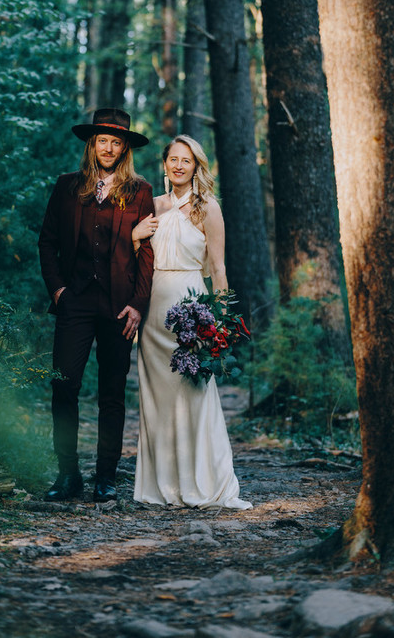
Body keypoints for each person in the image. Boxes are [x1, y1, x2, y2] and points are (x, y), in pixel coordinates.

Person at [38, 108, 154, 503]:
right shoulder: (67, 186)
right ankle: (68, 475)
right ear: (92, 145)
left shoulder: (140, 190)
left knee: (112, 393)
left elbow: (147, 254)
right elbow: (47, 243)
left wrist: (139, 304)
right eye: (102, 140)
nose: (108, 147)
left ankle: (106, 477)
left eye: (116, 142)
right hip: (75, 303)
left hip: (120, 307)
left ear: (124, 148)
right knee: (64, 384)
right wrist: (58, 291)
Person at [132, 135, 253, 509]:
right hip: (152, 311)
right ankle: (160, 486)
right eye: (174, 159)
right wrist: (135, 240)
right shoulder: (151, 206)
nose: (179, 165)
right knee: (157, 397)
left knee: (194, 392)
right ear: (165, 165)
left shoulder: (207, 208)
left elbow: (217, 267)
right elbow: (132, 259)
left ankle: (203, 480)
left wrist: (219, 321)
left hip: (190, 308)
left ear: (196, 166)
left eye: (187, 160)